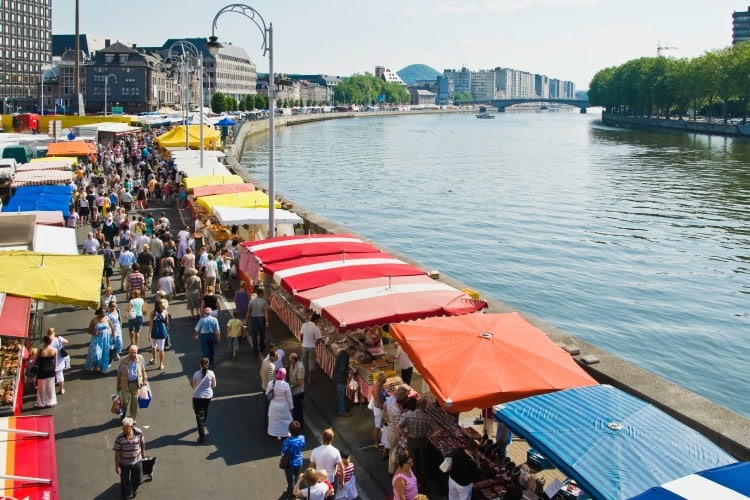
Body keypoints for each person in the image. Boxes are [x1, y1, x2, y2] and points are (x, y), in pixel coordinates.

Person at [398, 398, 430, 491]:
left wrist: (404, 434)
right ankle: (423, 485)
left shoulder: (407, 415)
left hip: (411, 441)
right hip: (422, 441)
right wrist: (429, 436)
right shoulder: (426, 417)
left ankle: (413, 483)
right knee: (423, 463)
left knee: (412, 463)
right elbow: (438, 430)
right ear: (423, 406)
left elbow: (399, 427)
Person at [113, 417, 145, 500]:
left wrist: (143, 453)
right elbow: (117, 453)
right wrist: (117, 466)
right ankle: (125, 495)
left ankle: (135, 489)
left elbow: (142, 443)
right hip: (124, 463)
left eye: (126, 428)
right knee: (124, 481)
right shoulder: (119, 437)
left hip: (137, 460)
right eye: (123, 428)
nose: (124, 430)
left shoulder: (138, 432)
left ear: (131, 427)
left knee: (137, 478)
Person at [116, 344, 148, 423]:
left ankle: (132, 419)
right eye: (131, 352)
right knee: (125, 401)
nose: (132, 354)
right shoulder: (123, 360)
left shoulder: (140, 358)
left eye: (134, 352)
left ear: (137, 352)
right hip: (125, 384)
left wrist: (145, 380)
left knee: (134, 402)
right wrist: (118, 385)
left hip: (136, 384)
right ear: (128, 352)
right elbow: (119, 374)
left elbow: (143, 370)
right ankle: (123, 414)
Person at [383, 386, 410, 473]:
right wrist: (403, 436)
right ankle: (394, 472)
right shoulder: (398, 411)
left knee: (392, 451)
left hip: (389, 431)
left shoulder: (392, 405)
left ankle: (390, 470)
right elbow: (398, 428)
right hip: (394, 434)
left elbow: (385, 413)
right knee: (395, 453)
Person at [192, 357, 217, 444]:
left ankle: (201, 436)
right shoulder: (211, 373)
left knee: (199, 416)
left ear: (200, 365)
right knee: (205, 409)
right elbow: (214, 385)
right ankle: (204, 421)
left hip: (198, 397)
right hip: (208, 396)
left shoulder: (196, 374)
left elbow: (194, 386)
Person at [84, 307, 115, 373]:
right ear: (98, 313)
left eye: (104, 312)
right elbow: (89, 330)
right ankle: (95, 364)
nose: (104, 313)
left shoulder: (107, 318)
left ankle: (101, 367)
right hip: (97, 339)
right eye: (102, 312)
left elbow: (112, 328)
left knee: (104, 352)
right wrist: (95, 333)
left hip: (106, 338)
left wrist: (113, 336)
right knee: (96, 353)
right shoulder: (94, 320)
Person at [267, 368, 294, 439]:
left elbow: (267, 393)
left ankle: (277, 434)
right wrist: (291, 407)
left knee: (275, 420)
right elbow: (289, 398)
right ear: (284, 376)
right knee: (286, 420)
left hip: (273, 406)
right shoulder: (286, 385)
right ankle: (285, 433)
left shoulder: (271, 383)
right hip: (283, 406)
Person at [281, 421, 305, 498]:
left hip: (290, 463)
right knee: (296, 475)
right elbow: (302, 446)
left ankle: (292, 494)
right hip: (299, 462)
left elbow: (282, 453)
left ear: (290, 430)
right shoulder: (302, 438)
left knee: (291, 479)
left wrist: (289, 438)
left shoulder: (287, 441)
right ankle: (294, 489)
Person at [34, 335, 58, 408]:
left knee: (41, 388)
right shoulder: (54, 350)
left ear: (44, 342)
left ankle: (41, 403)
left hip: (42, 371)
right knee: (51, 388)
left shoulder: (40, 351)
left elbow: (35, 360)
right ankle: (51, 402)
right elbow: (55, 362)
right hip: (51, 371)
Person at [333, 345, 356, 417]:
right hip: (340, 378)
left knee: (339, 395)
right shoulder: (345, 356)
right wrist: (349, 371)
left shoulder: (342, 353)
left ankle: (338, 408)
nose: (353, 355)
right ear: (350, 350)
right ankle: (342, 411)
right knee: (341, 395)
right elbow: (342, 369)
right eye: (353, 353)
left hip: (337, 377)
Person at [300, 312, 322, 385]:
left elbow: (301, 335)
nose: (318, 322)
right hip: (312, 347)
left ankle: (301, 377)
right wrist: (315, 345)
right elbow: (318, 339)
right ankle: (309, 379)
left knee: (303, 362)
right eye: (318, 320)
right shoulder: (316, 328)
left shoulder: (304, 325)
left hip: (304, 346)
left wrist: (302, 342)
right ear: (316, 320)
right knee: (311, 363)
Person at [47, 327, 69, 395]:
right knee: (60, 374)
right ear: (54, 332)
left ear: (47, 333)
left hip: (51, 360)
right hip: (60, 359)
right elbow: (67, 341)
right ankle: (61, 389)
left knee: (51, 375)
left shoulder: (47, 341)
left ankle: (50, 389)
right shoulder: (59, 338)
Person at [148, 300, 169, 370]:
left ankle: (154, 360)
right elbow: (167, 322)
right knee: (160, 348)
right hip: (162, 330)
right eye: (162, 303)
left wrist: (149, 334)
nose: (163, 304)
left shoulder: (152, 313)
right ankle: (161, 364)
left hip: (154, 330)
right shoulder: (165, 312)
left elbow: (151, 324)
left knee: (154, 347)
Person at [247, 288, 269, 355]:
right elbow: (265, 312)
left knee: (254, 335)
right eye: (263, 293)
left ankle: (255, 350)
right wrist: (267, 321)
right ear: (261, 294)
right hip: (261, 319)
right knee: (262, 334)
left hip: (253, 319)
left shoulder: (251, 301)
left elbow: (249, 311)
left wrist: (247, 319)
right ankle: (261, 347)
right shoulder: (264, 302)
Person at [260, 349, 278, 426]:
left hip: (263, 386)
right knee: (271, 408)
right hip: (268, 390)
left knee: (265, 406)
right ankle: (269, 423)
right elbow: (271, 382)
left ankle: (265, 421)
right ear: (272, 356)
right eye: (276, 356)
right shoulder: (271, 366)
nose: (278, 357)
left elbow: (261, 373)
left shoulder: (265, 361)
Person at [287, 352, 305, 425]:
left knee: (298, 408)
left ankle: (299, 423)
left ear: (294, 359)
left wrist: (290, 386)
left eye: (290, 359)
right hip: (293, 390)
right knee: (295, 407)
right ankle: (296, 421)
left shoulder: (300, 367)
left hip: (298, 391)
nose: (289, 360)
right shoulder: (292, 364)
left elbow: (299, 381)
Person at [372, 371, 388, 452]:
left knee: (381, 425)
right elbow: (379, 404)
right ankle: (376, 442)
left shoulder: (381, 385)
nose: (385, 382)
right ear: (380, 380)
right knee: (377, 426)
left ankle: (381, 441)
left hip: (382, 408)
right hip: (379, 410)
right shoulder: (376, 390)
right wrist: (386, 409)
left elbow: (385, 394)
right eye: (384, 381)